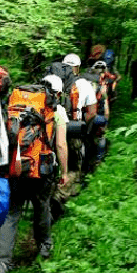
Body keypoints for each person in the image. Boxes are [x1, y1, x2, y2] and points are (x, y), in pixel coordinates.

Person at [0, 74, 69, 273]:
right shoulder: (57, 110)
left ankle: (2, 263)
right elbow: (61, 144)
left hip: (15, 167)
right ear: (58, 92)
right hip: (41, 169)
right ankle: (44, 247)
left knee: (11, 214)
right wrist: (64, 172)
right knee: (41, 207)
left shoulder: (15, 104)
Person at [56, 53, 97, 203]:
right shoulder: (85, 84)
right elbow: (92, 112)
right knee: (74, 166)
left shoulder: (52, 81)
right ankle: (61, 194)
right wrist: (80, 124)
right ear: (78, 68)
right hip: (72, 131)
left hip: (51, 129)